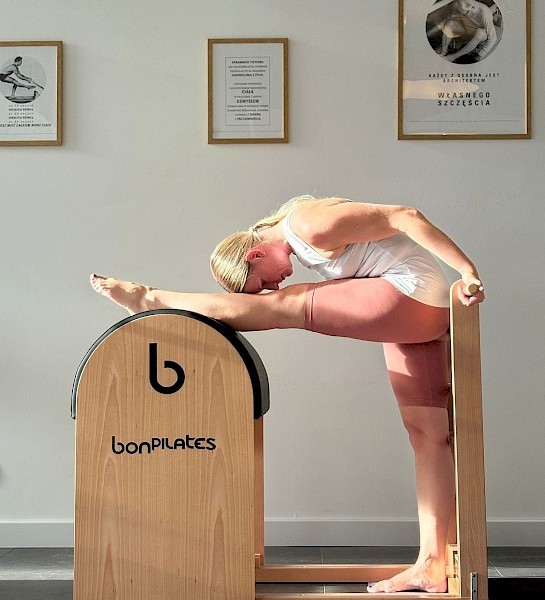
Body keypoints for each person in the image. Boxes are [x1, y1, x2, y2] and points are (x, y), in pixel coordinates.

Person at [91, 195, 485, 594]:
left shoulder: (308, 224)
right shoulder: (300, 237)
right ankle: (432, 565)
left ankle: (150, 297)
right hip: (420, 309)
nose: (272, 286)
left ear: (255, 254)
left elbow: (404, 216)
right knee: (427, 435)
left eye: (262, 282)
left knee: (284, 306)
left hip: (412, 291)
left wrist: (467, 272)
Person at [428, 0, 498, 63]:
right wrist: (453, 40)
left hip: (478, 37)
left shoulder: (484, 12)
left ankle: (452, 57)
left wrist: (481, 54)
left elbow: (493, 38)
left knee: (480, 33)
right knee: (450, 23)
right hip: (467, 32)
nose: (454, 3)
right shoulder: (460, 6)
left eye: (456, 2)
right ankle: (443, 52)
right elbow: (449, 19)